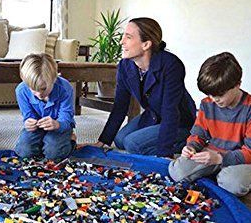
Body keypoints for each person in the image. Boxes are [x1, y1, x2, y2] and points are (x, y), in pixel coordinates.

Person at [82, 17, 196, 157]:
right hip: (153, 116)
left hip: (178, 121)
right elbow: (120, 106)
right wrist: (103, 141)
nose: (121, 41)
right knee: (119, 140)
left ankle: (187, 141)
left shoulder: (171, 65)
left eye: (128, 37)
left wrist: (164, 154)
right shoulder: (125, 65)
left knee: (132, 144)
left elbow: (170, 111)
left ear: (146, 44)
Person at [169, 52, 251, 196]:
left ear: (238, 84)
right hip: (213, 152)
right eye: (210, 94)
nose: (214, 99)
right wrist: (191, 147)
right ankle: (218, 171)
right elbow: (198, 135)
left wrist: (220, 158)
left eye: (219, 95)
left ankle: (223, 173)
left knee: (233, 186)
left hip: (242, 157)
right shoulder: (207, 104)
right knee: (177, 172)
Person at [14, 53, 76, 160]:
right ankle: (45, 141)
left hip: (59, 126)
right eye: (33, 89)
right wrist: (28, 122)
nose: (39, 94)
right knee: (23, 151)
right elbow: (27, 115)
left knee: (53, 155)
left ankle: (71, 140)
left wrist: (57, 124)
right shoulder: (21, 90)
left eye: (43, 89)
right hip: (37, 127)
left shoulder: (65, 88)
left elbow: (66, 118)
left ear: (54, 79)